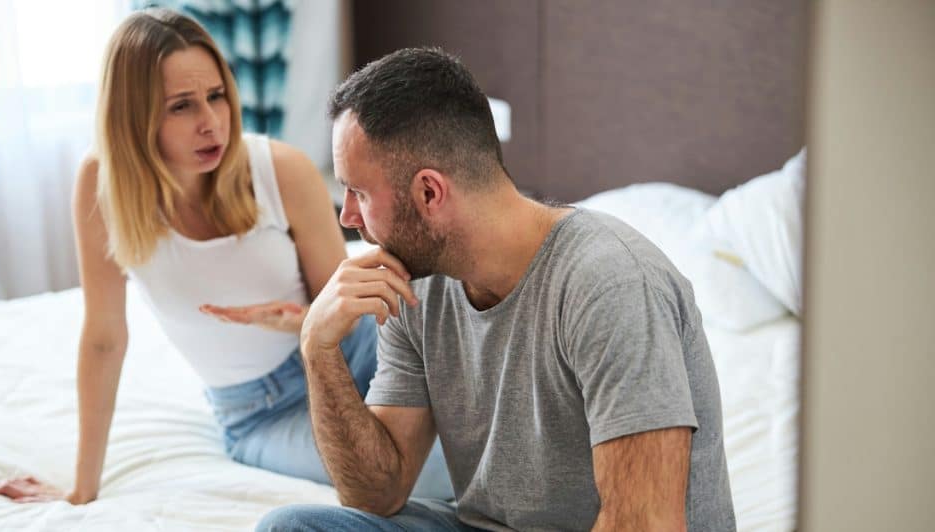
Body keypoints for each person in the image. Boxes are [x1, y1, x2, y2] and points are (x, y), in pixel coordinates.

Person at [0, 9, 452, 505]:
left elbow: (345, 314)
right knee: (434, 473)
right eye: (181, 107)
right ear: (134, 117)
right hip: (263, 413)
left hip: (353, 356)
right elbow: (103, 339)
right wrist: (81, 490)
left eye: (216, 96)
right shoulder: (101, 187)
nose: (211, 124)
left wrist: (299, 323)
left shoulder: (281, 171)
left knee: (476, 416)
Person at [256, 48, 737, 531]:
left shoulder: (610, 283)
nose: (347, 218)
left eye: (358, 192)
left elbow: (646, 524)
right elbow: (376, 495)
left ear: (429, 193)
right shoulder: (413, 286)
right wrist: (318, 350)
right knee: (291, 528)